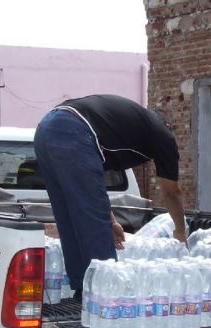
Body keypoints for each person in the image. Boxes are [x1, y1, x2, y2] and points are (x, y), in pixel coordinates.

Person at [33, 94, 187, 300]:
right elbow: (172, 192)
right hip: (73, 129)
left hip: (46, 128)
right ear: (167, 126)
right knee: (92, 223)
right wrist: (180, 231)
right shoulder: (162, 136)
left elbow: (93, 187)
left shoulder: (123, 126)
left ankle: (82, 287)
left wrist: (111, 219)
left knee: (69, 215)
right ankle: (106, 296)